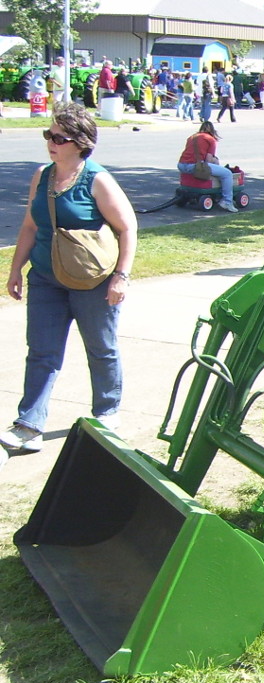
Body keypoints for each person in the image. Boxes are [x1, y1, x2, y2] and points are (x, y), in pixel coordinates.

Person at [1, 102, 137, 453]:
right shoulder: (42, 176)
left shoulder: (98, 180)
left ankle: (107, 412)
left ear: (80, 142)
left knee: (100, 349)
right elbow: (31, 225)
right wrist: (16, 270)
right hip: (46, 278)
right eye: (49, 135)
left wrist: (121, 276)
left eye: (59, 137)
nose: (51, 142)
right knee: (41, 352)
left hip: (92, 281)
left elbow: (127, 228)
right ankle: (29, 425)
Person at [177, 120, 238, 212]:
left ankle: (192, 194)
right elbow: (208, 160)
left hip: (181, 165)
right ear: (212, 131)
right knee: (227, 174)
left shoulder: (191, 137)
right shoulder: (210, 139)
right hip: (195, 166)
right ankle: (227, 201)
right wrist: (215, 160)